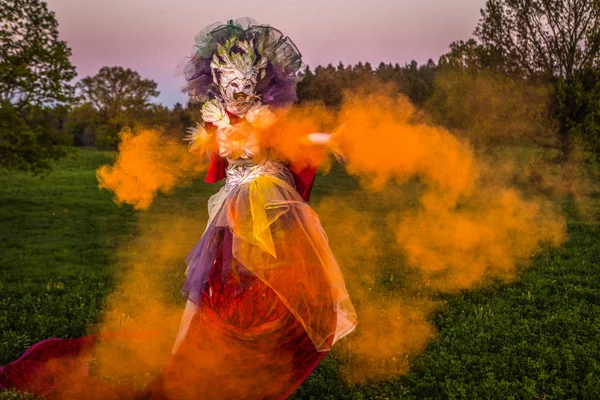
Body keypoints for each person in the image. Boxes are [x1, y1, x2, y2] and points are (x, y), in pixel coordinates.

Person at [0, 18, 357, 400]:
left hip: (267, 197)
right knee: (215, 274)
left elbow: (295, 138)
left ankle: (272, 325)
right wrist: (216, 141)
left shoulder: (264, 116)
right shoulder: (217, 118)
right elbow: (213, 149)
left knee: (280, 269)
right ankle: (192, 344)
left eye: (245, 81)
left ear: (259, 80)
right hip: (235, 201)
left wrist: (329, 138)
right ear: (218, 80)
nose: (238, 90)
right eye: (230, 82)